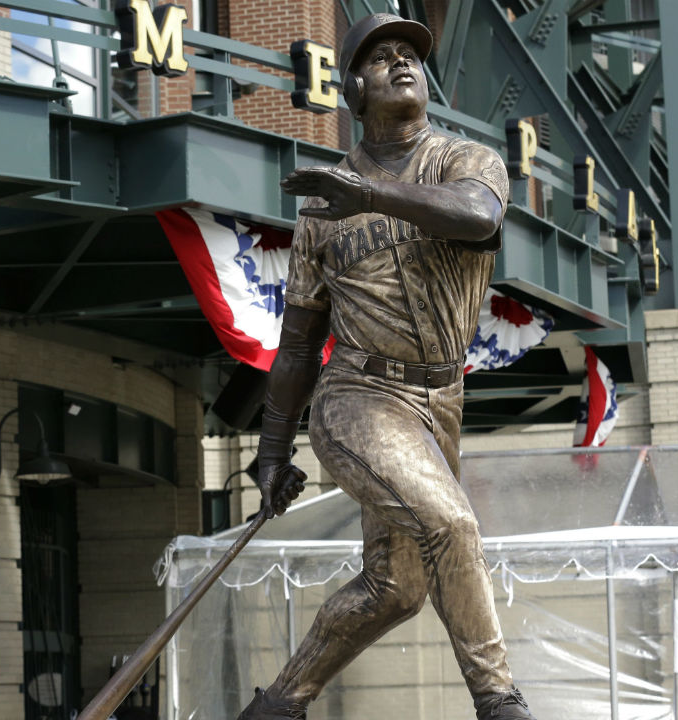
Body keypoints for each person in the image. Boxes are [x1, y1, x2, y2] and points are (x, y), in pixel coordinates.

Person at [239, 13, 537, 720]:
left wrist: (370, 196)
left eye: (411, 54)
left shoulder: (466, 160)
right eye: (382, 58)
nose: (403, 63)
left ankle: (277, 707)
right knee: (453, 526)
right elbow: (300, 343)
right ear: (355, 91)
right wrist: (273, 450)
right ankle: (500, 702)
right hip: (359, 397)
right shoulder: (321, 209)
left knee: (396, 588)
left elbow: (476, 218)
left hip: (439, 402)